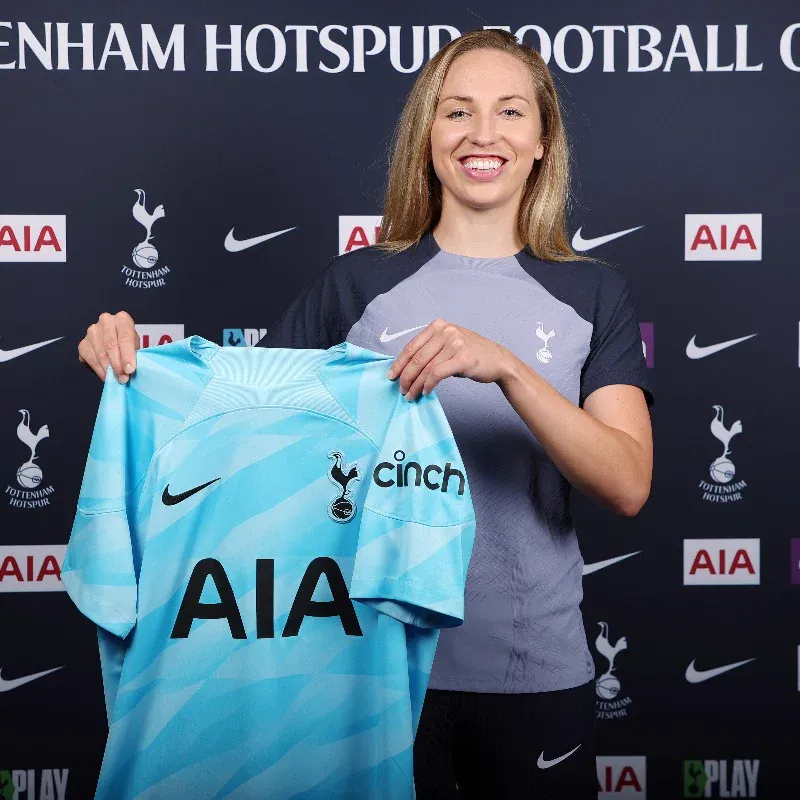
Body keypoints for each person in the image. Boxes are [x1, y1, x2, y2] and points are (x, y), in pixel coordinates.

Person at [78, 28, 653, 800]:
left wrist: (508, 369)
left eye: (511, 112)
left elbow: (627, 481)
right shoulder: (357, 285)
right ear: (427, 137)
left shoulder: (593, 293)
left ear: (543, 140)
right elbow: (239, 423)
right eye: (458, 112)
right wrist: (132, 369)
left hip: (533, 671)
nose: (484, 135)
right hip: (363, 679)